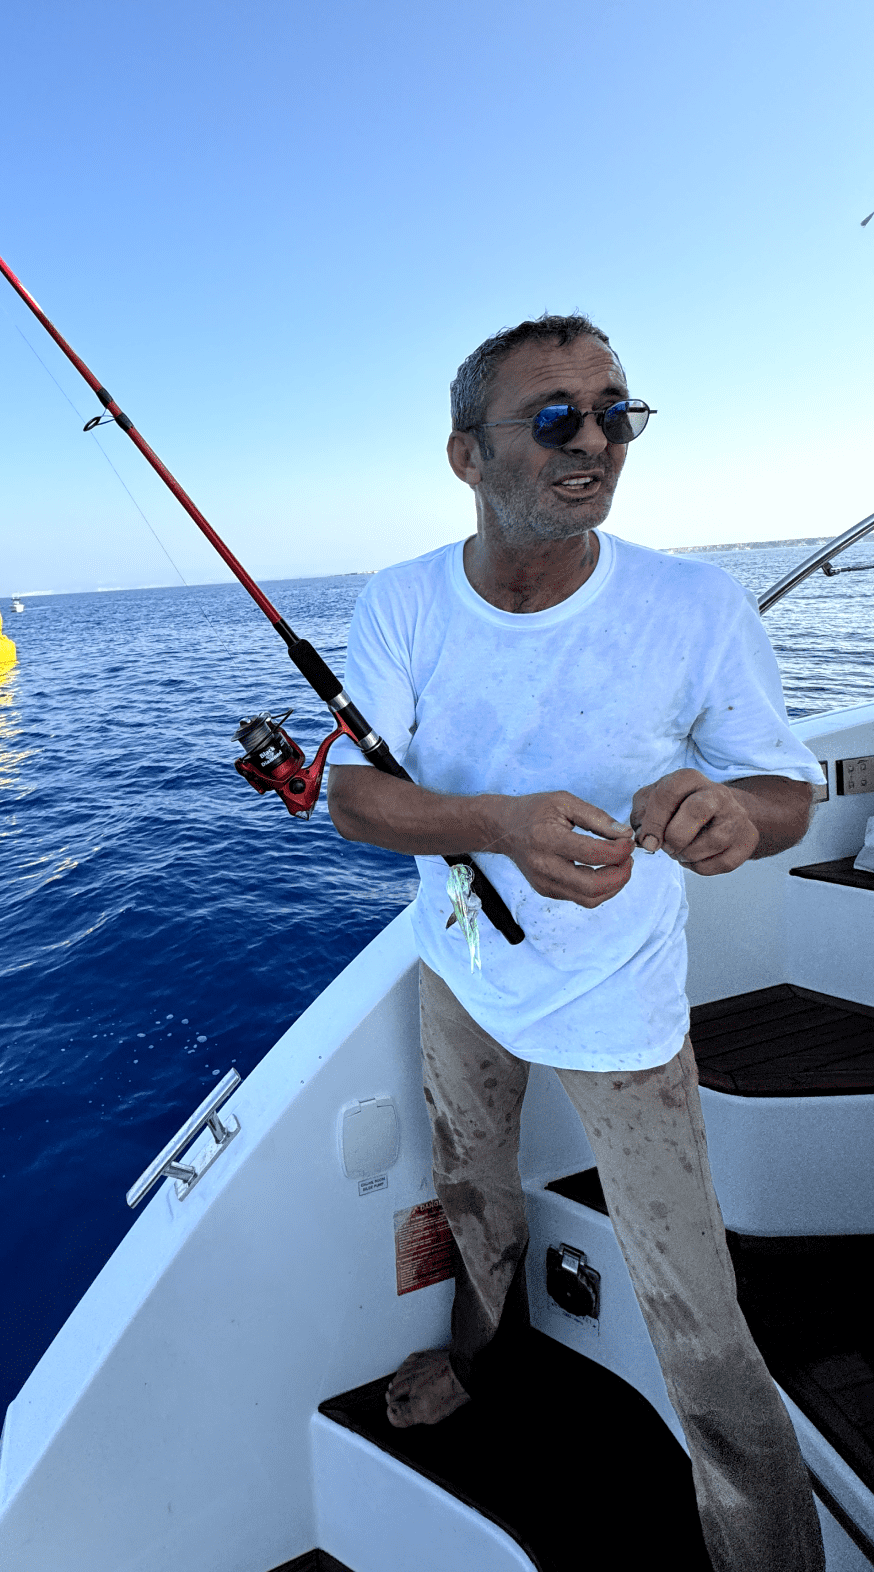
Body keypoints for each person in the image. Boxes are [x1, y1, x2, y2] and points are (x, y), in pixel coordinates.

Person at [326, 314, 826, 1572]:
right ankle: (480, 1365)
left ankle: (768, 1548)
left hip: (623, 1012)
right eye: (555, 416)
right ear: (467, 456)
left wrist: (733, 817)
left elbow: (786, 789)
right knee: (472, 1198)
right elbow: (352, 797)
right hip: (460, 977)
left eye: (616, 411)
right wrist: (498, 825)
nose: (594, 439)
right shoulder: (401, 605)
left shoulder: (696, 606)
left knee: (695, 1313)